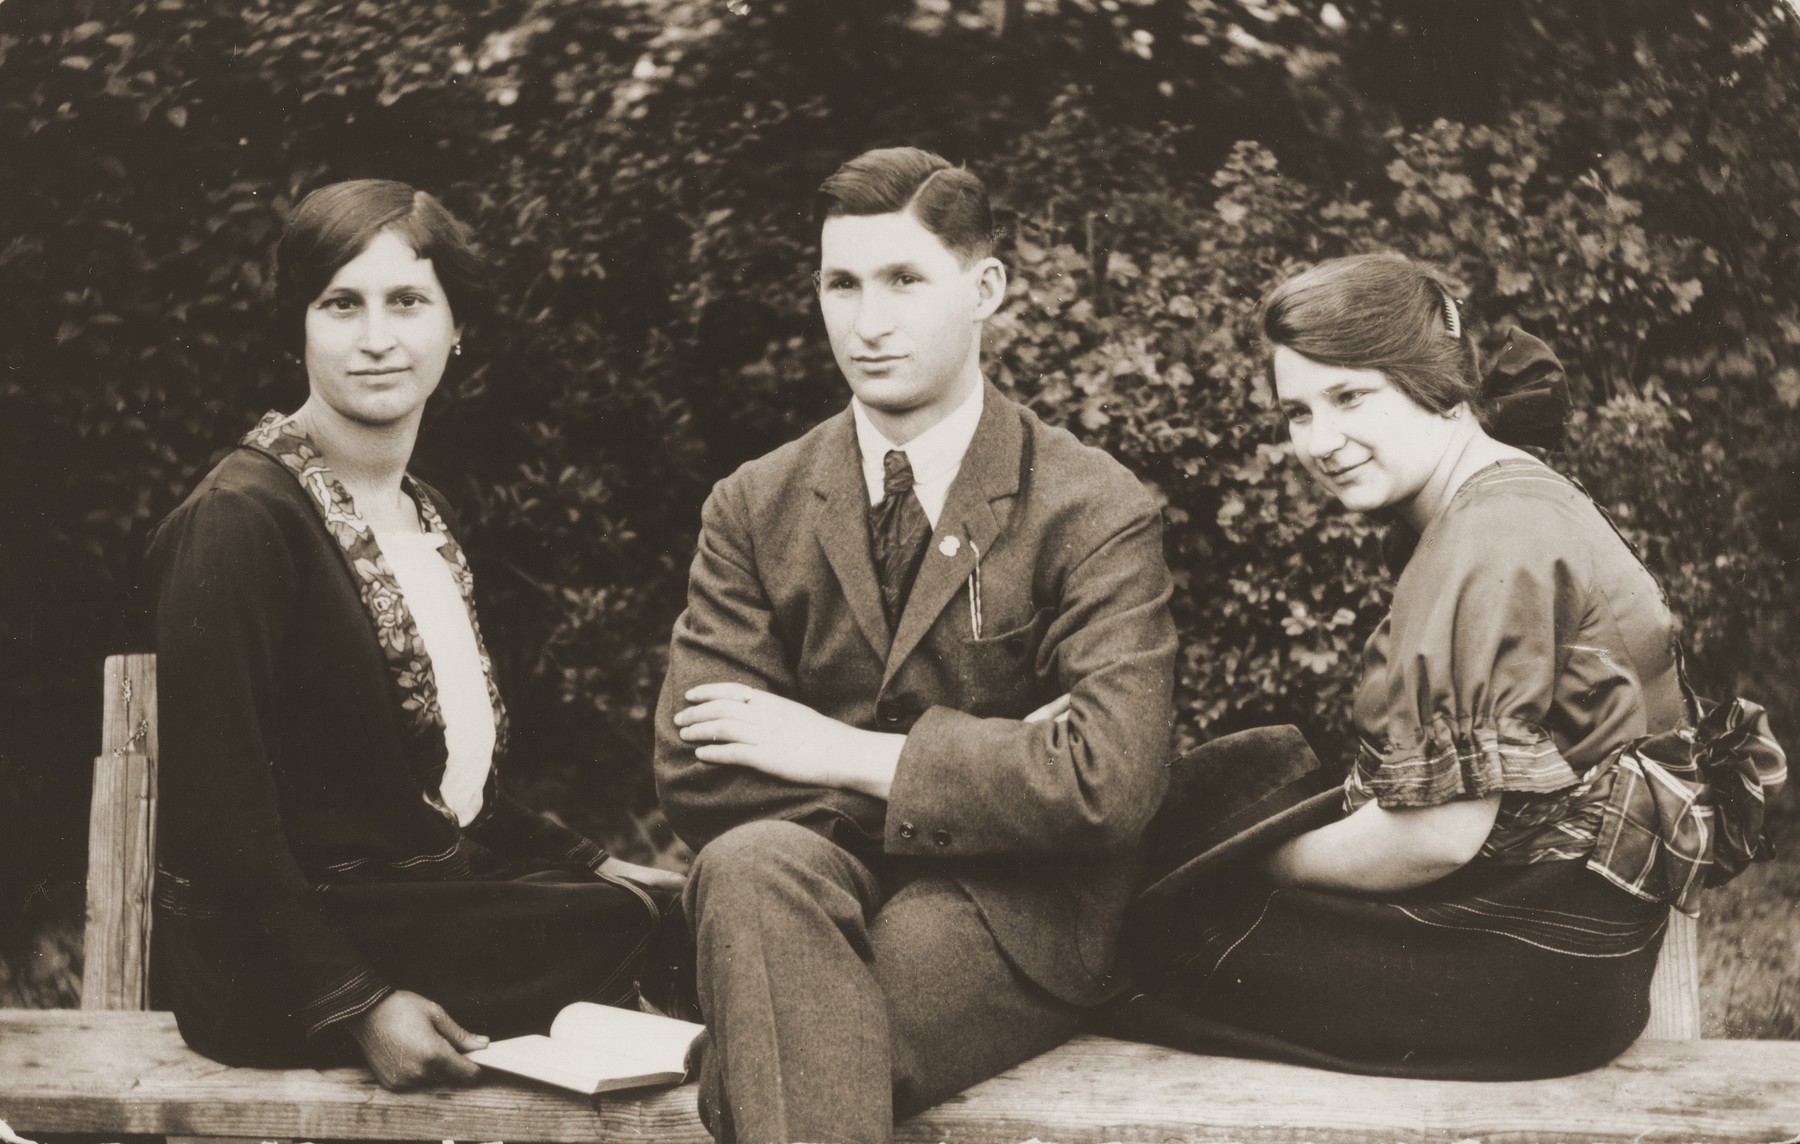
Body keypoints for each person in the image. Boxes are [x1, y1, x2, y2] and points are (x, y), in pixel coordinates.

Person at [1106, 252, 1786, 1080]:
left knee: (1157, 931)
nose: (1320, 441)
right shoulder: (1504, 494)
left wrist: (1260, 862)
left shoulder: (1487, 535)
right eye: (1297, 413)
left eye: (1351, 397)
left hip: (1536, 961)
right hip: (1570, 943)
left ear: (1434, 381)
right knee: (1228, 805)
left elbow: (1434, 837)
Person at [653, 146, 1178, 1143]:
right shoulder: (756, 502)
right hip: (811, 882)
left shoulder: (1090, 504)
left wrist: (834, 749)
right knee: (751, 863)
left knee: (771, 1053)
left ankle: (749, 1039)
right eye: (840, 283)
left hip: (1012, 910)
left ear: (984, 289)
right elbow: (696, 769)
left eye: (903, 279)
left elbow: (1111, 780)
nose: (868, 321)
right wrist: (999, 763)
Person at [144, 179, 687, 1091]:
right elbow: (218, 818)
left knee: (671, 904)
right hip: (270, 960)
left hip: (407, 902)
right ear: (299, 328)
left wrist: (596, 861)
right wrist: (360, 1004)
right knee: (641, 928)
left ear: (456, 326)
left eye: (408, 301)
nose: (377, 337)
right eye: (340, 304)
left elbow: (449, 787)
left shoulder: (422, 514)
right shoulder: (241, 521)